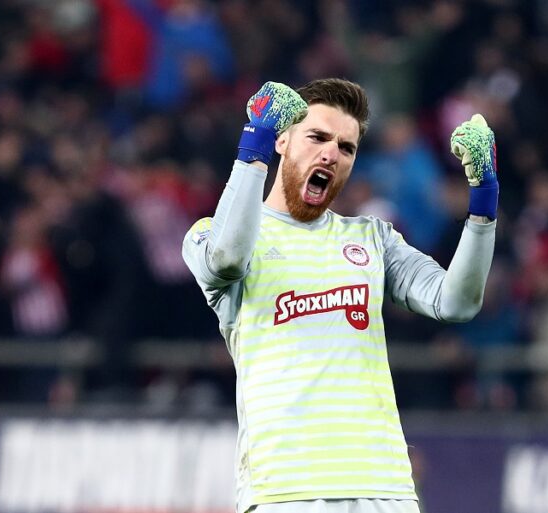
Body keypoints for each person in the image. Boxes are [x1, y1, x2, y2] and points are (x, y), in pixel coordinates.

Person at [182, 78, 498, 513]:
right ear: (281, 141)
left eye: (346, 148)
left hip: (385, 489)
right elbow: (226, 259)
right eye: (317, 137)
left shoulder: (373, 238)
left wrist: (483, 203)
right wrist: (253, 145)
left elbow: (456, 301)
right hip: (287, 492)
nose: (331, 154)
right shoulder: (211, 234)